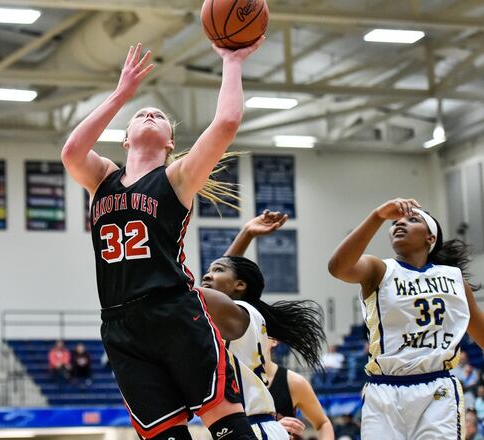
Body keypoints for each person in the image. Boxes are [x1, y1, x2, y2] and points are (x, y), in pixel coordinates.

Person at [62, 34, 263, 439]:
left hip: (174, 311)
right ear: (124, 138)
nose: (150, 113)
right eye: (141, 115)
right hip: (120, 323)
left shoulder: (177, 176)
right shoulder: (101, 176)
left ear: (171, 141)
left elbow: (225, 124)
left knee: (225, 425)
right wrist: (121, 95)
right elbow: (70, 151)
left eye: (158, 115)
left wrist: (232, 60)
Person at [328, 198, 484, 438]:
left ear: (430, 238)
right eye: (396, 222)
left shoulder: (454, 279)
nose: (400, 224)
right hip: (384, 390)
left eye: (412, 220)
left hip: (437, 388)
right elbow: (338, 267)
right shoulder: (379, 269)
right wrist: (377, 217)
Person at [200, 210, 326, 439]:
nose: (207, 276)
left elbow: (192, 293)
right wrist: (246, 233)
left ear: (240, 285)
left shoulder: (239, 312)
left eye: (216, 271)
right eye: (208, 271)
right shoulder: (237, 312)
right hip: (247, 427)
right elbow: (226, 275)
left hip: (252, 428)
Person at [265, 339, 335, 440]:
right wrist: (271, 431)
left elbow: (323, 424)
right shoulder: (236, 382)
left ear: (273, 340)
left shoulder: (293, 382)